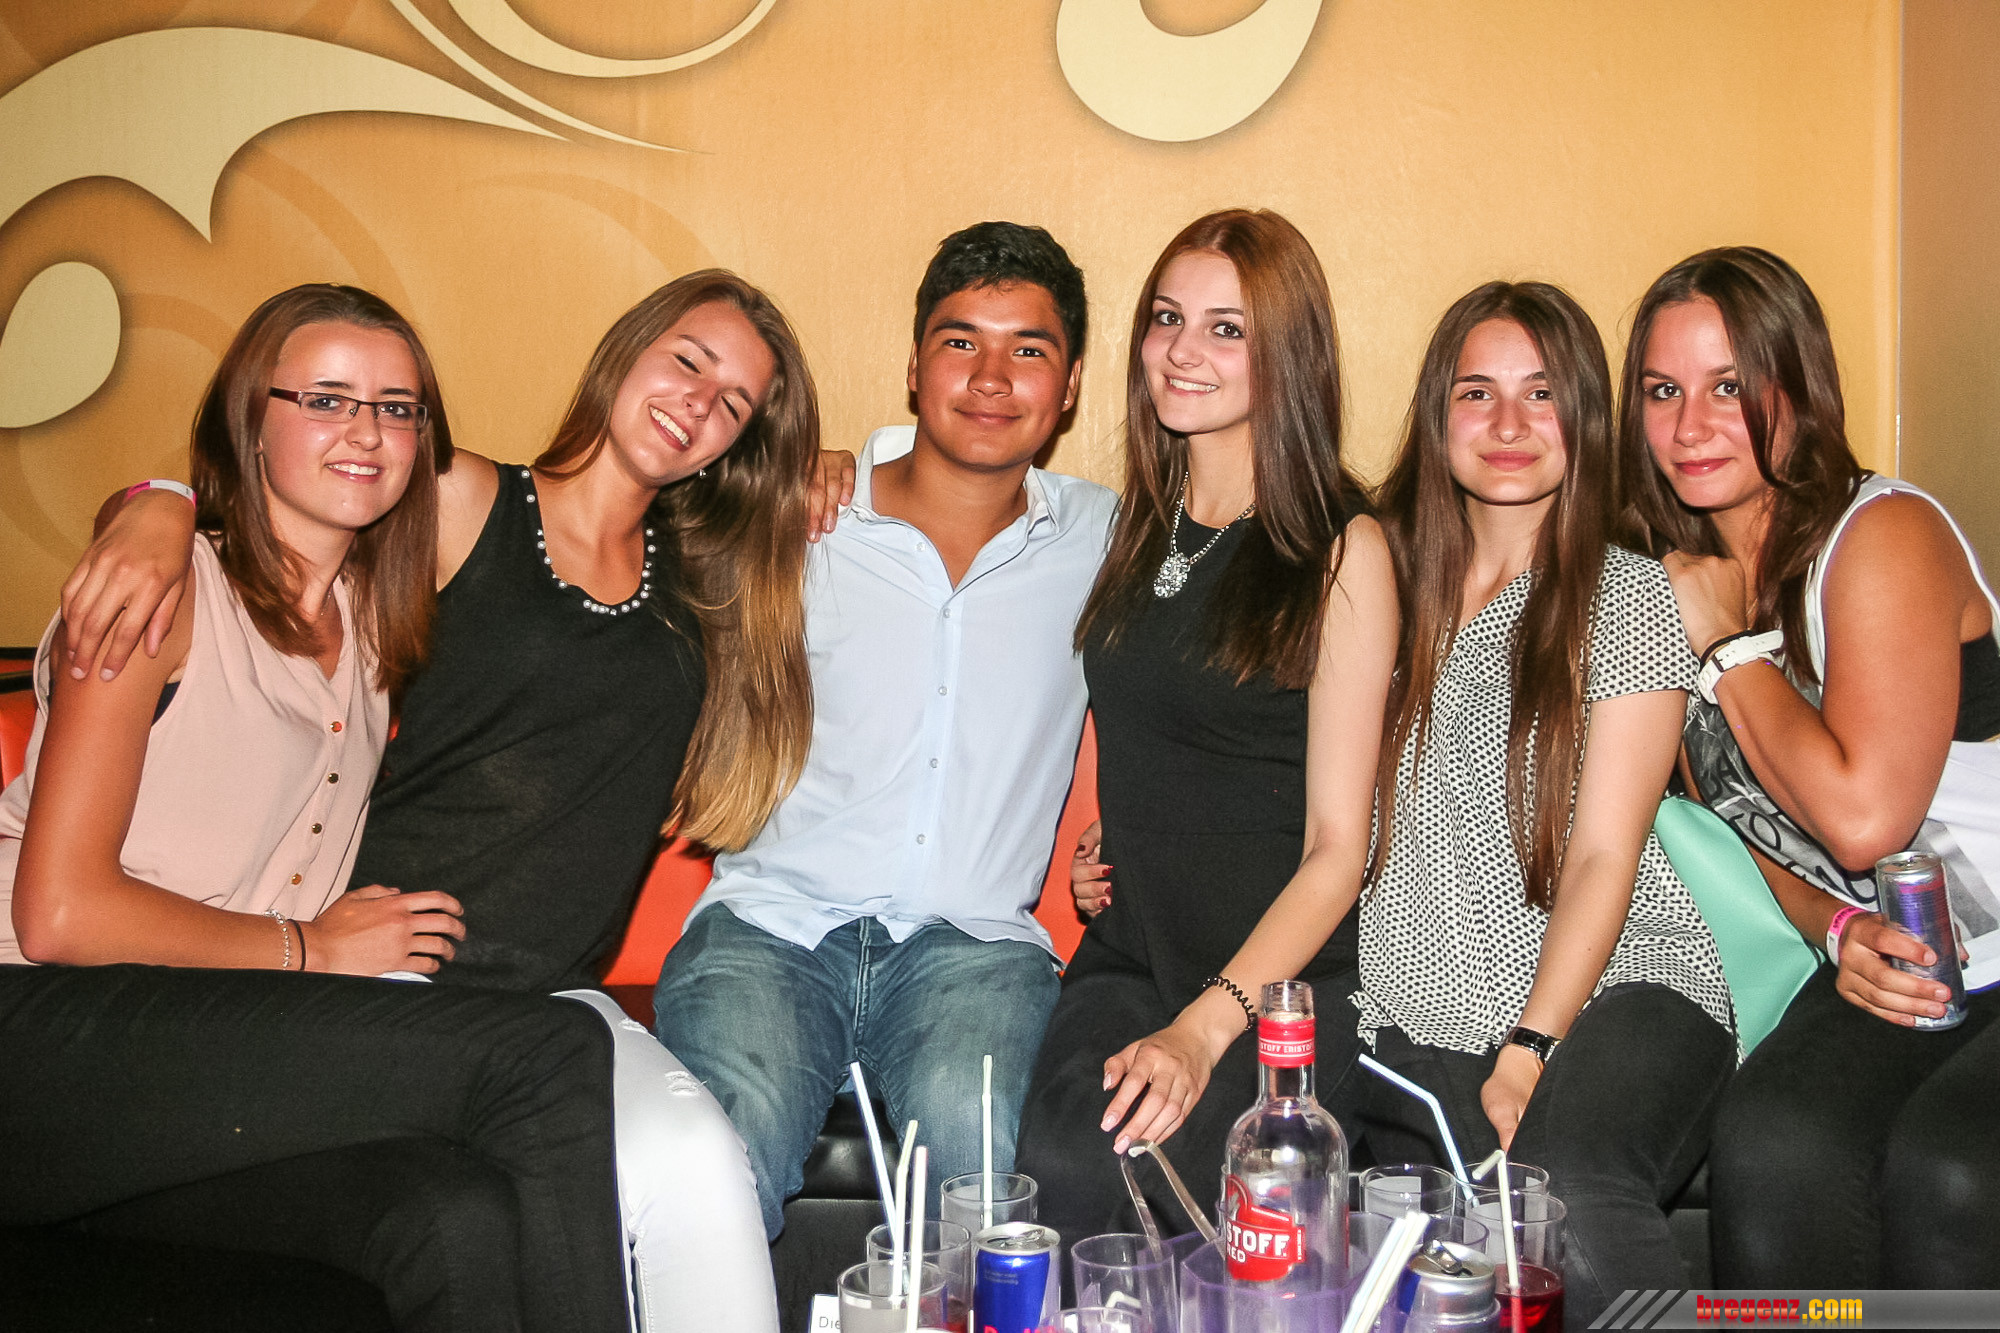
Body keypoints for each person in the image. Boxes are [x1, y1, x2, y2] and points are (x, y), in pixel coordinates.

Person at [58, 270, 825, 1331]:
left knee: (705, 1167)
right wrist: (154, 504)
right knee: (490, 1190)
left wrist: (826, 473)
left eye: (734, 401)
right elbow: (283, 500)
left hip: (550, 995)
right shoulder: (463, 498)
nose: (699, 401)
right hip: (383, 968)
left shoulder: (707, 574)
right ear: (628, 349)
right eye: (688, 360)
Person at [0, 283, 629, 1333]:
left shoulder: (373, 617)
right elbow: (58, 914)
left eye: (397, 408)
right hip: (42, 1033)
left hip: (202, 1051)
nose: (366, 431)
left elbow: (583, 523)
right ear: (252, 419)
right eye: (327, 399)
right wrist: (311, 949)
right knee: (549, 1053)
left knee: (453, 1220)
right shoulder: (163, 594)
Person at [653, 222, 1117, 1239]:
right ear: (913, 366)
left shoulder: (1108, 540)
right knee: (718, 1160)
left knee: (986, 1176)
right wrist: (795, 467)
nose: (990, 376)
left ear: (1071, 384)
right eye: (960, 342)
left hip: (975, 947)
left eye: (1027, 349)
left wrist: (1137, 828)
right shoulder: (799, 512)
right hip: (772, 928)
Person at [1334, 281, 1735, 1328]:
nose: (1508, 423)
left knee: (1567, 1203)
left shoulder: (1625, 591)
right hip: (1416, 1016)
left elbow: (1605, 852)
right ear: (1437, 415)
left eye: (1541, 393)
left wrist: (1532, 1045)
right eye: (1477, 392)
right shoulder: (1378, 584)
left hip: (1619, 991)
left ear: (1585, 418)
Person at [1014, 209, 1396, 1249]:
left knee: (1154, 1193)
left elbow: (1339, 848)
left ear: (1287, 355)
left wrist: (1203, 1028)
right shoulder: (1138, 526)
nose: (1182, 351)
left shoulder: (1340, 549)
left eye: (1227, 329)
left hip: (1275, 982)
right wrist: (1123, 838)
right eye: (1166, 318)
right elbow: (1175, 739)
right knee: (1058, 1168)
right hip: (1134, 947)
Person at [1621, 245, 2000, 1286]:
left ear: (1800, 388)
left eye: (1729, 386)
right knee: (1773, 1145)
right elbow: (1737, 827)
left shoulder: (1881, 534)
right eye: (1662, 390)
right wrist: (1835, 928)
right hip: (1910, 960)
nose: (1689, 426)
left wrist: (1724, 647)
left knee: (1951, 1172)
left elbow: (1863, 818)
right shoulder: (1671, 578)